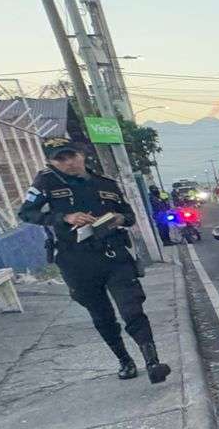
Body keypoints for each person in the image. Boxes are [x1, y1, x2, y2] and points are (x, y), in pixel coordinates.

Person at [18, 140, 171, 383]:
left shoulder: (105, 183)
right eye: (60, 159)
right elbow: (26, 213)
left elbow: (129, 215)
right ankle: (124, 360)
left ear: (82, 155)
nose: (69, 163)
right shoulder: (46, 183)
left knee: (132, 308)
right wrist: (65, 217)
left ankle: (152, 361)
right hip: (76, 259)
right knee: (102, 315)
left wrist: (120, 218)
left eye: (72, 156)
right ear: (51, 162)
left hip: (113, 255)